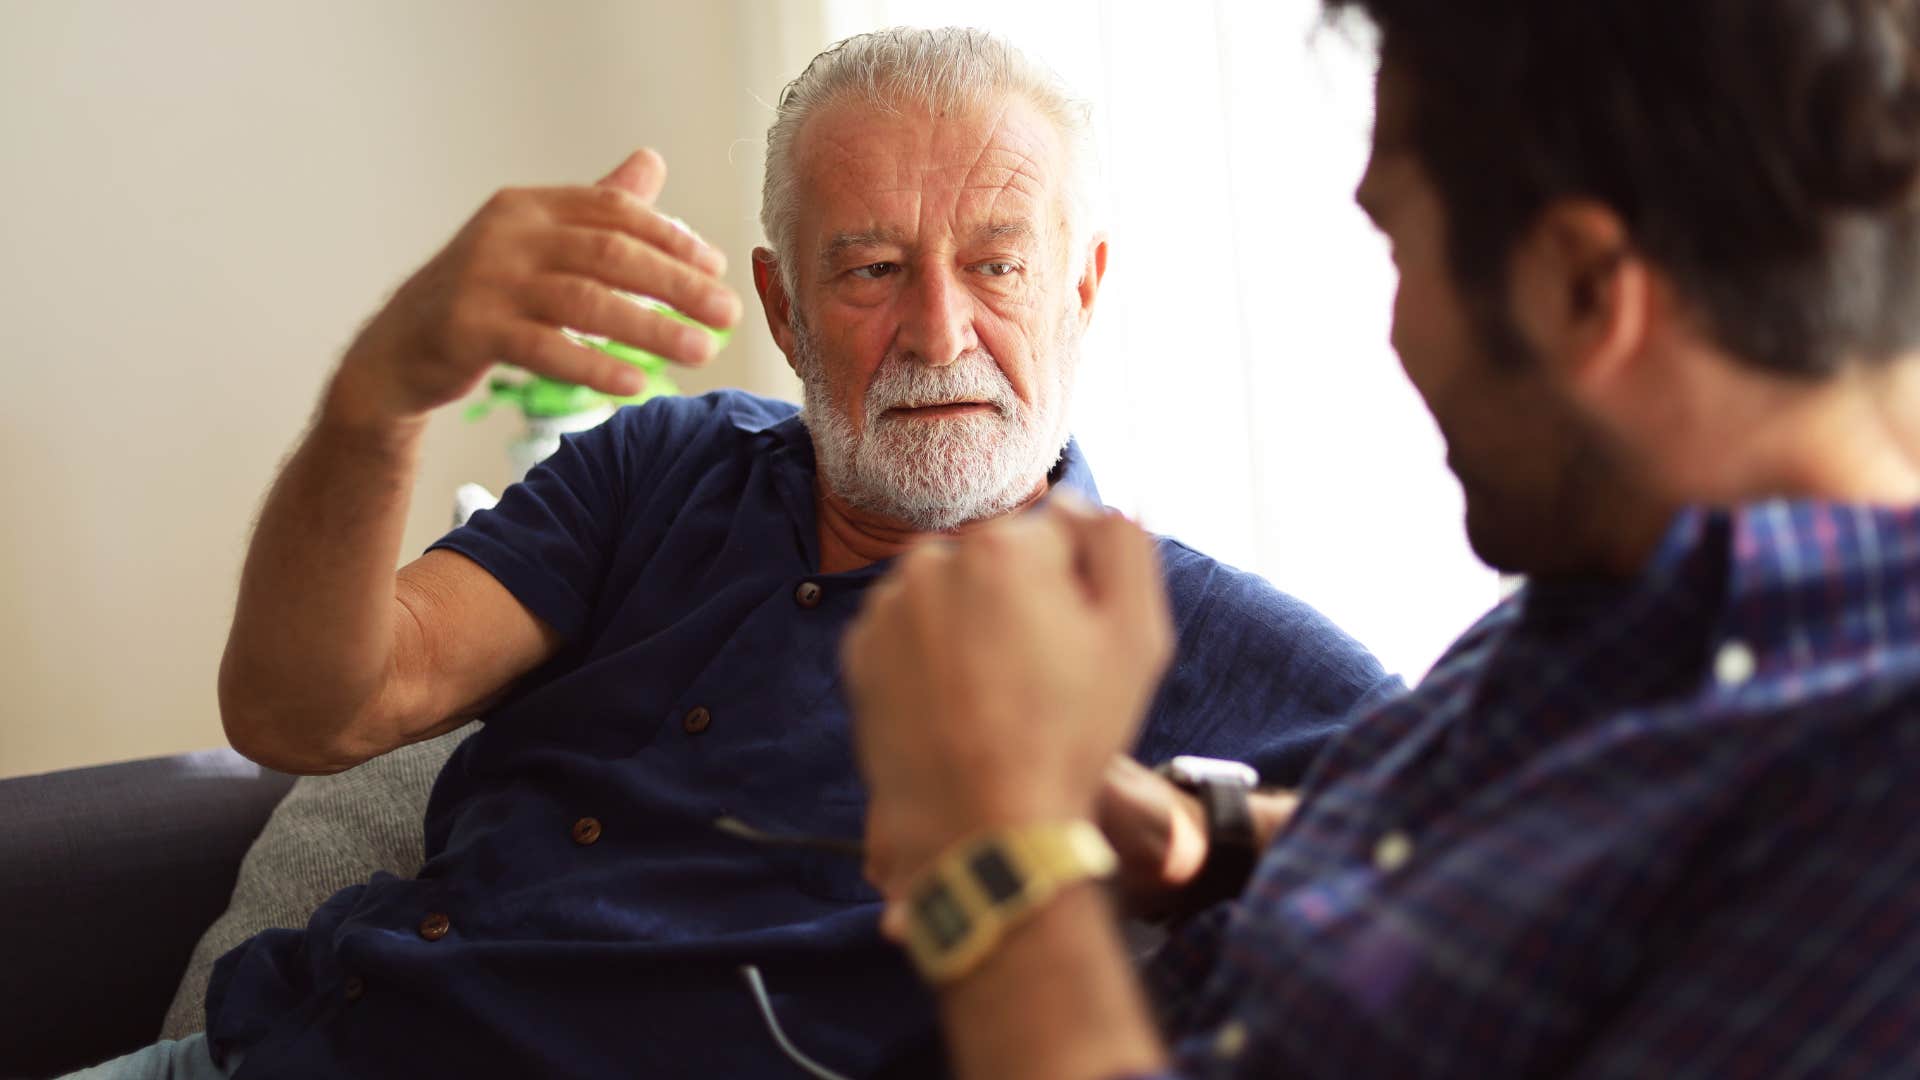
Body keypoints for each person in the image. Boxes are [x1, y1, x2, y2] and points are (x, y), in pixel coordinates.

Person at [67, 27, 1395, 1080]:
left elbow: (1482, 864)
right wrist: (382, 396)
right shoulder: (659, 467)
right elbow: (307, 709)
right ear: (783, 305)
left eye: (997, 265)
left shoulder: (1202, 643)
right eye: (871, 269)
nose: (938, 332)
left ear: (1083, 286)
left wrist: (1182, 831)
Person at [841, 2, 1920, 1077]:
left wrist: (998, 856)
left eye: (1399, 244)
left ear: (1585, 290)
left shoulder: (1877, 820)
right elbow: (1575, 869)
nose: (1396, 330)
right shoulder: (1620, 583)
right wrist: (1204, 837)